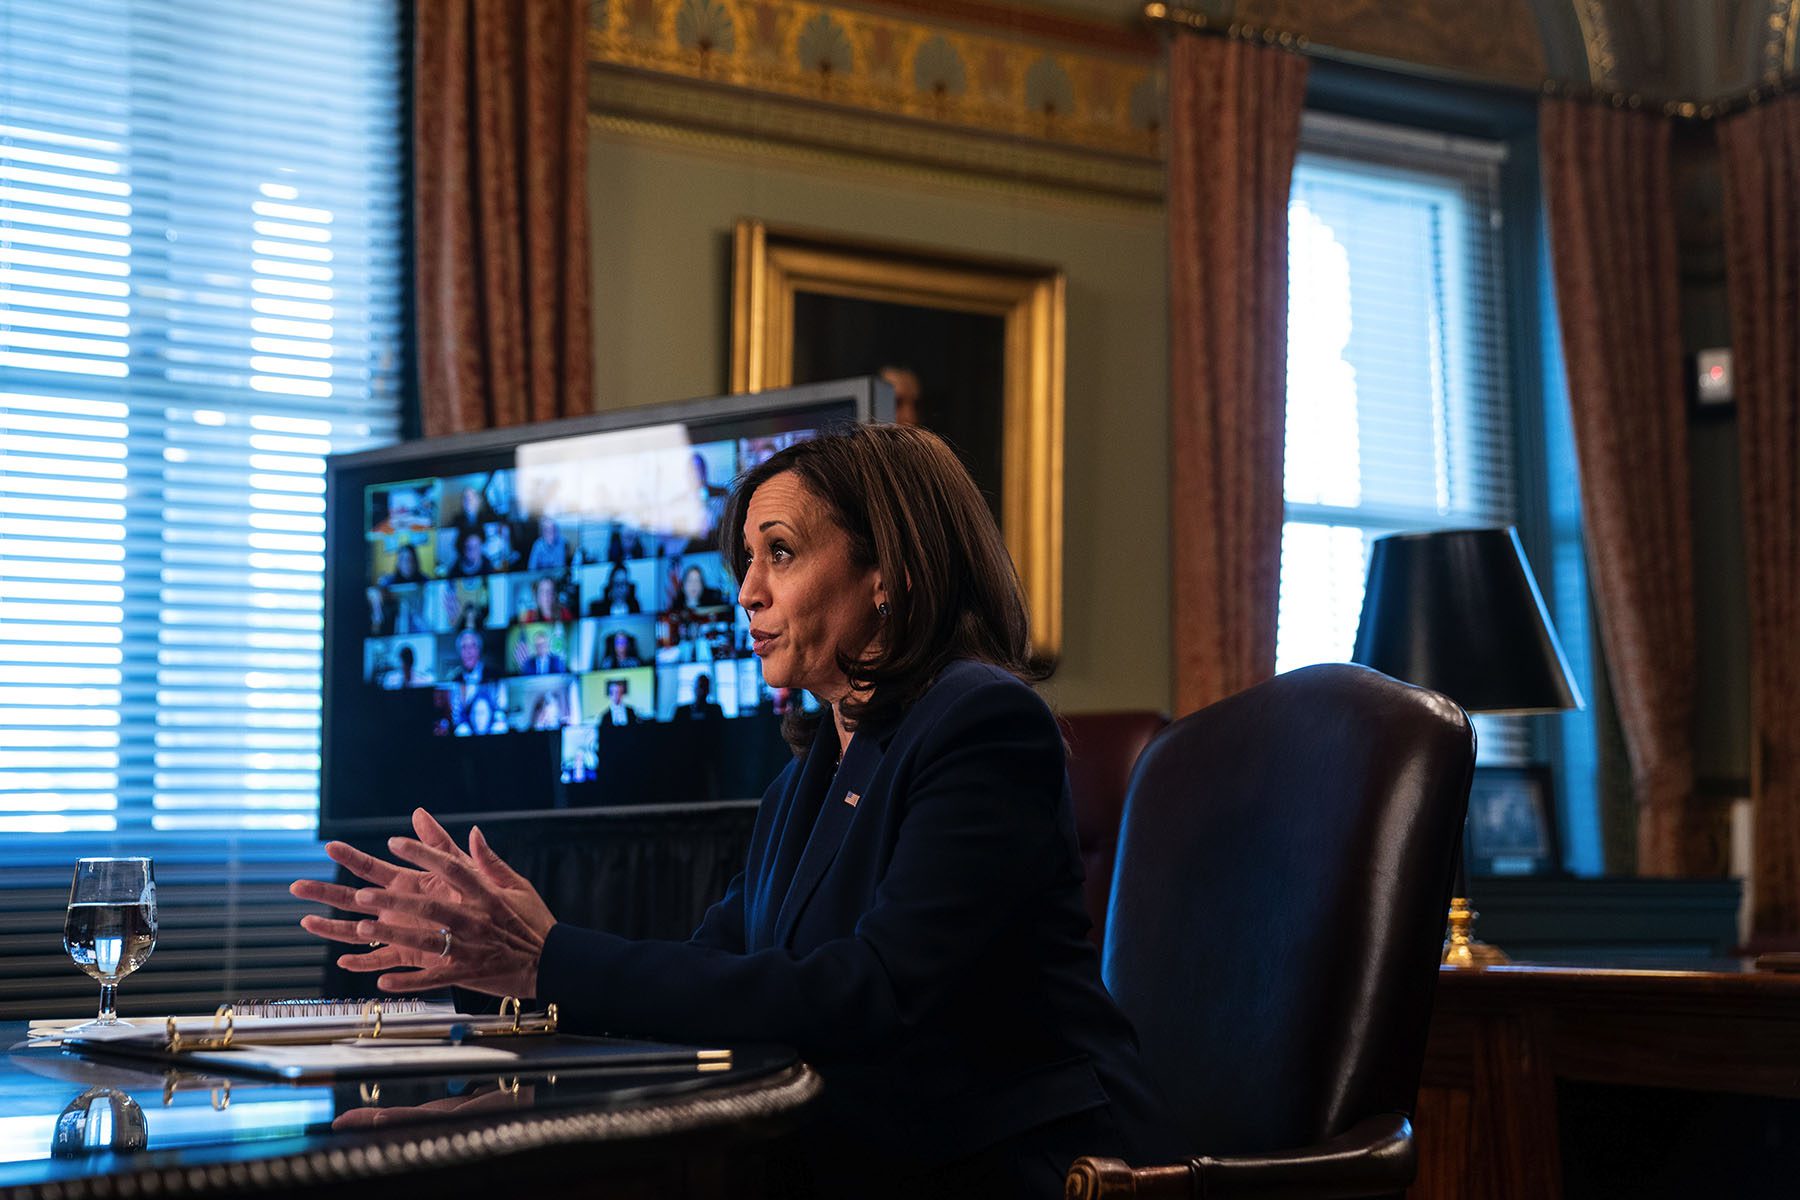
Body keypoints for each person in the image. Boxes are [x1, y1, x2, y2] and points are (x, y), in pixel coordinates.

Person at [291, 425, 1173, 1196]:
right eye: (744, 560)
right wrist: (502, 996)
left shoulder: (983, 722)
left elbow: (875, 994)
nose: (746, 591)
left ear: (890, 576)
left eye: (779, 553)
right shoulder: (807, 776)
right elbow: (714, 969)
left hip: (1008, 1169)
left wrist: (549, 958)